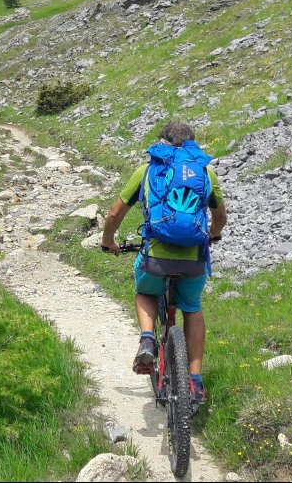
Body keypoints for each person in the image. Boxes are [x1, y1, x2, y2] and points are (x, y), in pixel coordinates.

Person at [100, 122, 227, 405]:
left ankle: (147, 339)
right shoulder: (205, 172)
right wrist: (212, 236)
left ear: (162, 143)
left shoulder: (146, 171)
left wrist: (109, 241)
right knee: (192, 308)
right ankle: (194, 380)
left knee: (145, 291)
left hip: (155, 258)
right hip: (194, 259)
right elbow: (220, 217)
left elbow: (114, 214)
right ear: (192, 144)